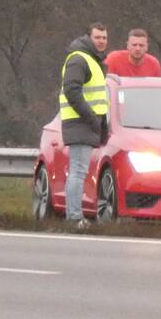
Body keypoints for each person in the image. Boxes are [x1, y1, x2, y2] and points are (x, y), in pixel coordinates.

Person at [60, 22, 110, 228]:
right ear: (88, 38)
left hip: (86, 123)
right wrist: (91, 118)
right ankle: (74, 217)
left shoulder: (91, 59)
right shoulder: (80, 59)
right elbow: (72, 91)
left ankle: (74, 216)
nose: (101, 41)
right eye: (97, 37)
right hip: (80, 122)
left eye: (104, 38)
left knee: (78, 172)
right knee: (78, 172)